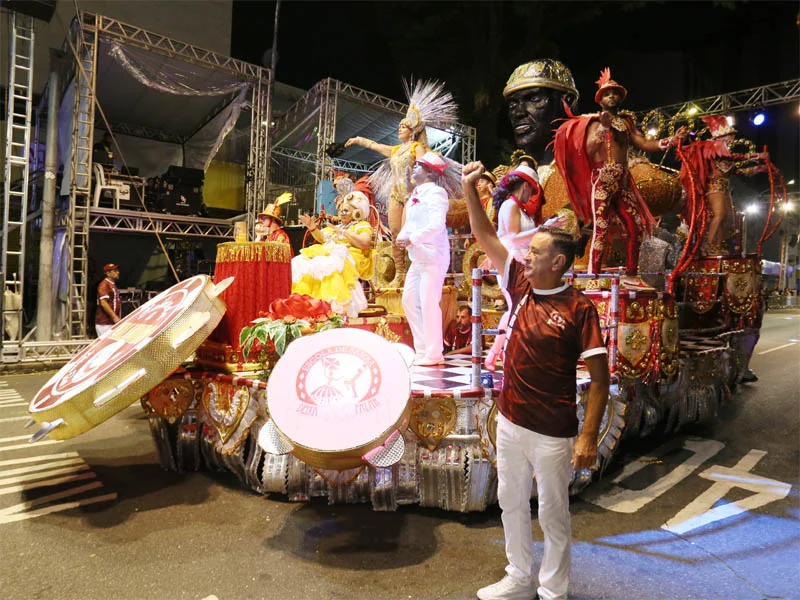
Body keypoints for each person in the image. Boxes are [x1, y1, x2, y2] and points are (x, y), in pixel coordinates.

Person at [463, 160, 610, 600]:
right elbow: (484, 235)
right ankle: (519, 577)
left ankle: (553, 590)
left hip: (553, 430)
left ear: (558, 261)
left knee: (553, 512)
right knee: (510, 501)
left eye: (536, 252)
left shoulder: (579, 309)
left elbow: (600, 381)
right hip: (510, 421)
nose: (526, 256)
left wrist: (587, 438)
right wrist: (471, 188)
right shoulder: (518, 285)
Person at [554, 68, 686, 277]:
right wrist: (603, 129)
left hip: (623, 183)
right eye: (607, 94)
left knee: (636, 228)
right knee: (601, 229)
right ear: (600, 100)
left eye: (615, 93)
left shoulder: (626, 123)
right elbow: (587, 150)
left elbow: (643, 143)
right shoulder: (594, 122)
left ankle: (632, 274)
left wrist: (672, 141)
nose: (612, 97)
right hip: (603, 181)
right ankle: (594, 277)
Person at [346, 80, 457, 288]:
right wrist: (359, 139)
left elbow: (427, 167)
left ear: (412, 131)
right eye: (399, 126)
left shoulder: (417, 147)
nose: (399, 129)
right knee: (396, 234)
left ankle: (417, 271)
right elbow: (376, 146)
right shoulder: (397, 150)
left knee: (410, 235)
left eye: (403, 126)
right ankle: (400, 273)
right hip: (396, 196)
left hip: (413, 197)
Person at [484, 164, 545, 371]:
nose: (533, 195)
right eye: (533, 190)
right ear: (526, 186)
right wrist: (544, 229)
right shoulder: (510, 206)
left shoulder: (517, 208)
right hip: (511, 263)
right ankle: (506, 354)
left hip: (519, 264)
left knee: (515, 308)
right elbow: (513, 238)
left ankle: (496, 354)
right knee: (517, 309)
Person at [679, 116, 768, 255]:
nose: (732, 138)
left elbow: (736, 171)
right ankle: (707, 245)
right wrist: (756, 156)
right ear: (722, 136)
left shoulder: (725, 155)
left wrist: (757, 169)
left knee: (727, 219)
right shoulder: (712, 149)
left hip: (725, 189)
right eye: (730, 135)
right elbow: (734, 157)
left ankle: (717, 246)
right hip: (715, 187)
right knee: (719, 215)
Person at [397, 151, 451, 366]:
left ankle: (435, 352)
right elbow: (410, 224)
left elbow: (437, 225)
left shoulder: (437, 193)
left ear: (429, 171)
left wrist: (413, 238)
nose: (414, 169)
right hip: (418, 256)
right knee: (409, 300)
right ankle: (421, 349)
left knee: (429, 302)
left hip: (433, 255)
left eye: (419, 166)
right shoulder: (416, 194)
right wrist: (403, 237)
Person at [292, 182, 375, 317]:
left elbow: (365, 243)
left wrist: (344, 233)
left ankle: (335, 306)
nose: (341, 213)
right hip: (333, 253)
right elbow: (322, 238)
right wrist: (312, 227)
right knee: (301, 261)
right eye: (341, 210)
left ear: (357, 213)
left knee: (329, 264)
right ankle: (311, 304)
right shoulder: (338, 227)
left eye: (346, 210)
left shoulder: (361, 225)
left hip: (354, 256)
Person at [503, 60, 579, 171]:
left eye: (534, 99)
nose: (518, 113)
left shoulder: (589, 171)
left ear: (567, 102)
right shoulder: (504, 179)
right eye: (512, 104)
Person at [95, 263, 121, 337]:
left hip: (110, 322)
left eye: (117, 270)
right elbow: (103, 303)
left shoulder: (112, 284)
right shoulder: (104, 285)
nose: (118, 272)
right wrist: (114, 316)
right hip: (105, 323)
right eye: (115, 271)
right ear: (108, 273)